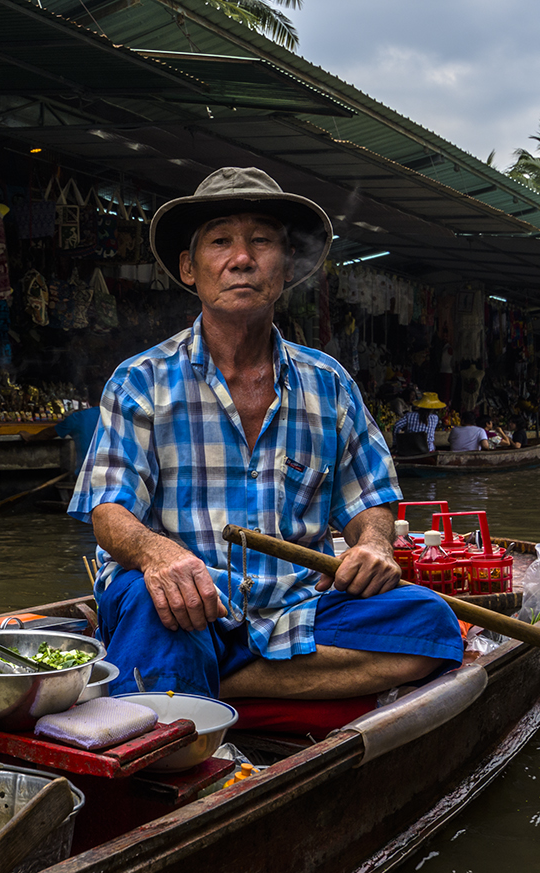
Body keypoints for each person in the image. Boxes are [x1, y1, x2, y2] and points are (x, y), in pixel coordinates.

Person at [69, 166, 462, 700]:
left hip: (295, 605)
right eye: (220, 241)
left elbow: (369, 502)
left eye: (261, 241)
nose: (241, 258)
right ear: (190, 267)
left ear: (287, 267)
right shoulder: (142, 380)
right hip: (187, 603)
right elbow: (108, 512)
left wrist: (374, 546)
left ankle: (218, 679)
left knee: (430, 624)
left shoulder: (328, 384)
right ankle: (212, 667)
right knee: (148, 604)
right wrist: (158, 554)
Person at [25, 388, 100, 478]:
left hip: (87, 476)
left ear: (88, 400)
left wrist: (30, 437)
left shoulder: (78, 418)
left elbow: (49, 433)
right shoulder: (117, 417)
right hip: (114, 475)